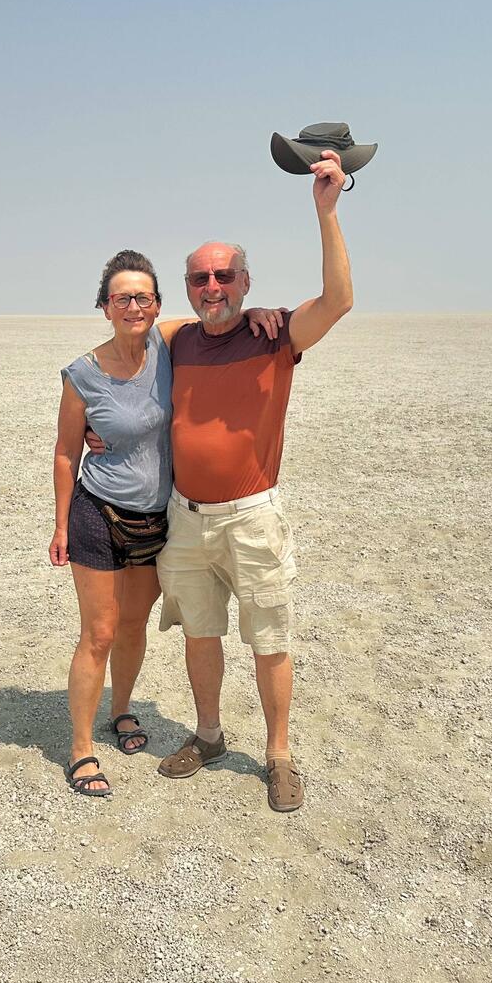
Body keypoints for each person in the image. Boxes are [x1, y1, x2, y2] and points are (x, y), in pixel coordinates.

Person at [151, 148, 353, 813]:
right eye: (201, 278)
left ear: (244, 280)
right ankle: (208, 736)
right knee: (201, 635)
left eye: (226, 276)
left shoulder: (276, 337)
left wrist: (326, 211)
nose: (214, 287)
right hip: (186, 519)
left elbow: (339, 301)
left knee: (270, 638)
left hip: (252, 517)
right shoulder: (176, 340)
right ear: (188, 287)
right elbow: (133, 339)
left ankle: (279, 754)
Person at [49, 251, 283, 797]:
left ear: (158, 305)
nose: (134, 306)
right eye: (122, 297)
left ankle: (123, 711)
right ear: (104, 305)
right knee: (99, 633)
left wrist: (255, 313)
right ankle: (82, 748)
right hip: (98, 513)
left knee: (133, 625)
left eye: (144, 297)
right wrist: (60, 526)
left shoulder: (166, 341)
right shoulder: (82, 374)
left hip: (158, 518)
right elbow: (65, 453)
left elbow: (219, 313)